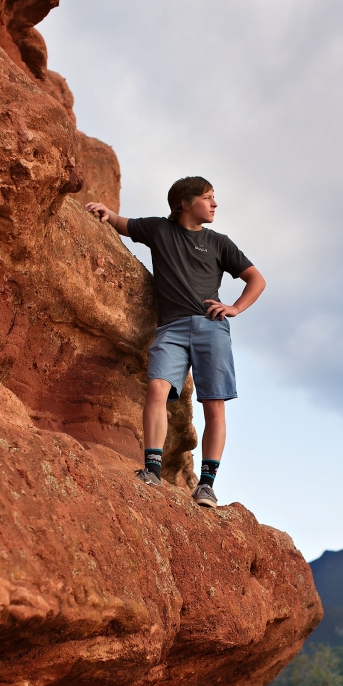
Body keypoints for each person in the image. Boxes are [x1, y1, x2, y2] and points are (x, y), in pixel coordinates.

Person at [85, 177, 266, 508]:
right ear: (185, 203)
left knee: (213, 404)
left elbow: (256, 278)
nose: (214, 204)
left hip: (212, 328)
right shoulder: (159, 230)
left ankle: (207, 486)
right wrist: (105, 213)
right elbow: (121, 224)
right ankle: (152, 469)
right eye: (208, 197)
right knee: (156, 389)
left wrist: (235, 307)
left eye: (214, 198)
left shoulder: (219, 242)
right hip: (171, 328)